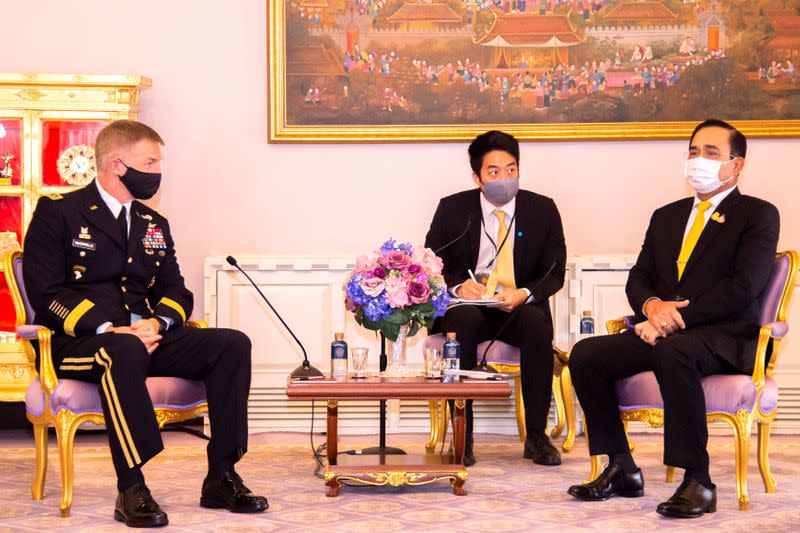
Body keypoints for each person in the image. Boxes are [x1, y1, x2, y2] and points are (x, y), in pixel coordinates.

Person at [23, 120, 268, 527]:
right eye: (150, 162)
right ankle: (131, 486)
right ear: (117, 164)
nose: (157, 171)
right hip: (84, 344)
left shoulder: (154, 223)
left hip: (144, 340)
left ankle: (222, 476)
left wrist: (158, 323)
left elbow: (177, 291)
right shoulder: (59, 213)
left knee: (232, 344)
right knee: (123, 348)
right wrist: (105, 328)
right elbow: (46, 294)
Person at [566, 119, 779, 518]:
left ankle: (698, 479)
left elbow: (743, 287)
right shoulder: (667, 215)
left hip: (723, 335)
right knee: (586, 355)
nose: (699, 160)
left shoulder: (757, 214)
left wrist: (669, 320)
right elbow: (639, 277)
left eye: (712, 153)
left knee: (673, 352)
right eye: (694, 151)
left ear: (736, 165)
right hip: (665, 332)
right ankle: (622, 467)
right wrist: (650, 307)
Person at [424, 130, 567, 467]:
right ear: (477, 177)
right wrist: (458, 288)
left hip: (517, 305)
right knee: (461, 322)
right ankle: (463, 434)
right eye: (493, 172)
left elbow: (554, 269)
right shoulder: (453, 209)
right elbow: (431, 263)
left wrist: (526, 293)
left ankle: (536, 436)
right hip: (470, 306)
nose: (504, 178)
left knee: (536, 323)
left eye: (511, 169)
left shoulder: (542, 209)